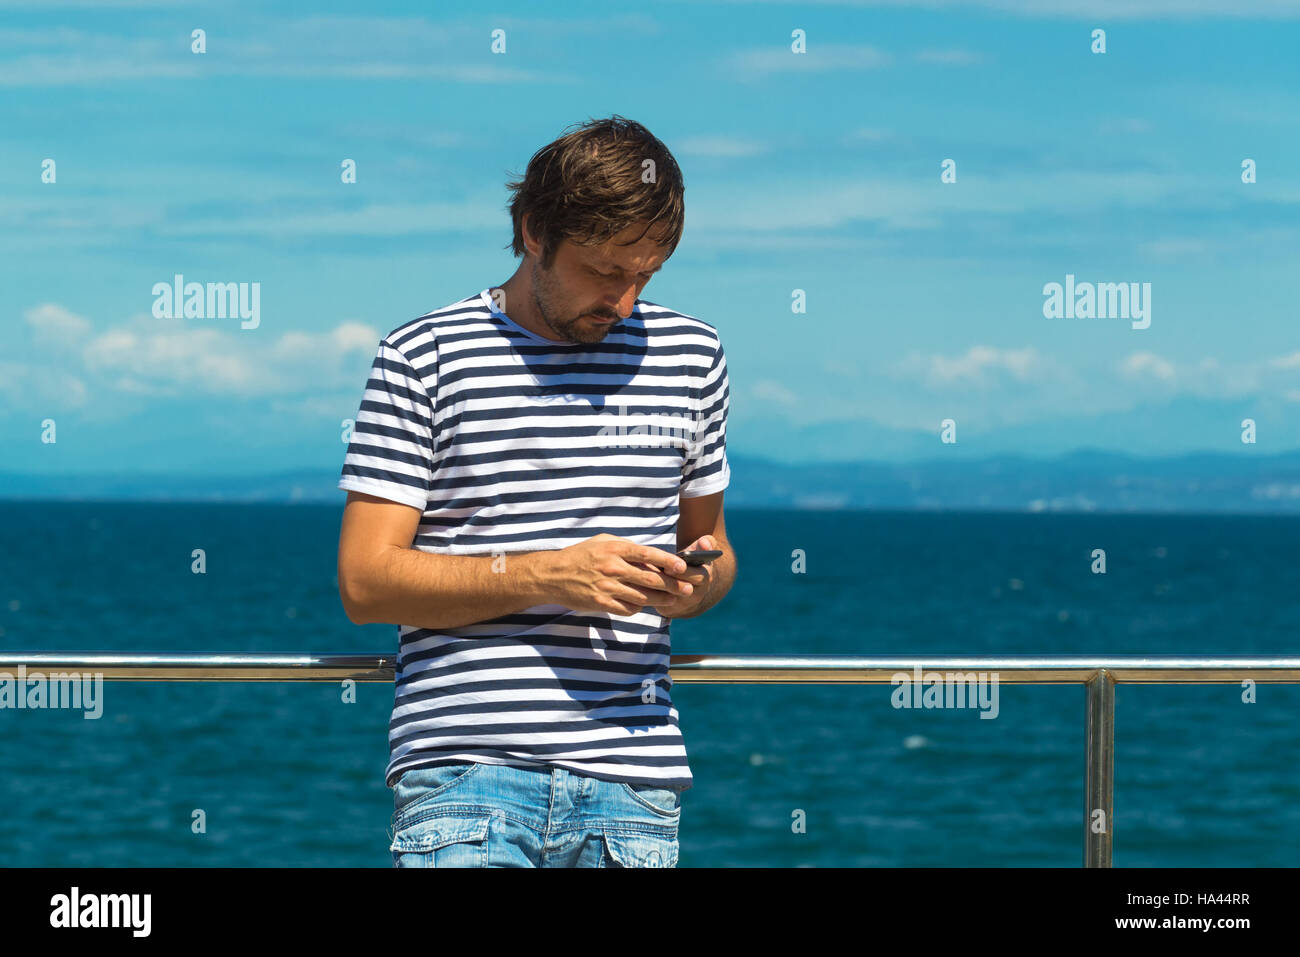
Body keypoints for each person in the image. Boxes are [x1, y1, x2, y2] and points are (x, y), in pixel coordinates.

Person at [336, 115, 735, 867]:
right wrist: (553, 573)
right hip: (466, 776)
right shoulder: (423, 355)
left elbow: (712, 548)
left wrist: (694, 584)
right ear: (532, 232)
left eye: (645, 275)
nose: (623, 301)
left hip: (633, 785)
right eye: (603, 272)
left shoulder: (694, 355)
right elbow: (365, 581)